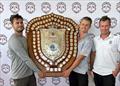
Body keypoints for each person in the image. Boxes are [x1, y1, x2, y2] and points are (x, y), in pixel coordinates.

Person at [8, 14, 45, 86]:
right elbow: (26, 59)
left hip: (30, 74)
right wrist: (38, 71)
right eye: (17, 23)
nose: (20, 25)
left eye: (21, 22)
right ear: (12, 25)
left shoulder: (24, 38)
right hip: (20, 76)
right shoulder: (14, 40)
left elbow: (31, 55)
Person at [63, 17, 94, 86]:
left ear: (89, 27)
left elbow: (80, 58)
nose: (84, 26)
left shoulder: (88, 40)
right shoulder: (73, 36)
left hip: (81, 72)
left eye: (87, 25)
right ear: (79, 24)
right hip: (72, 70)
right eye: (83, 24)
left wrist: (69, 70)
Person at [92, 16, 120, 86]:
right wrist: (91, 69)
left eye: (106, 26)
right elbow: (93, 55)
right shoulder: (95, 39)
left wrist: (117, 70)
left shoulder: (116, 38)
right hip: (96, 72)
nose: (104, 28)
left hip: (110, 73)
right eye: (102, 26)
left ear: (110, 25)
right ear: (99, 26)